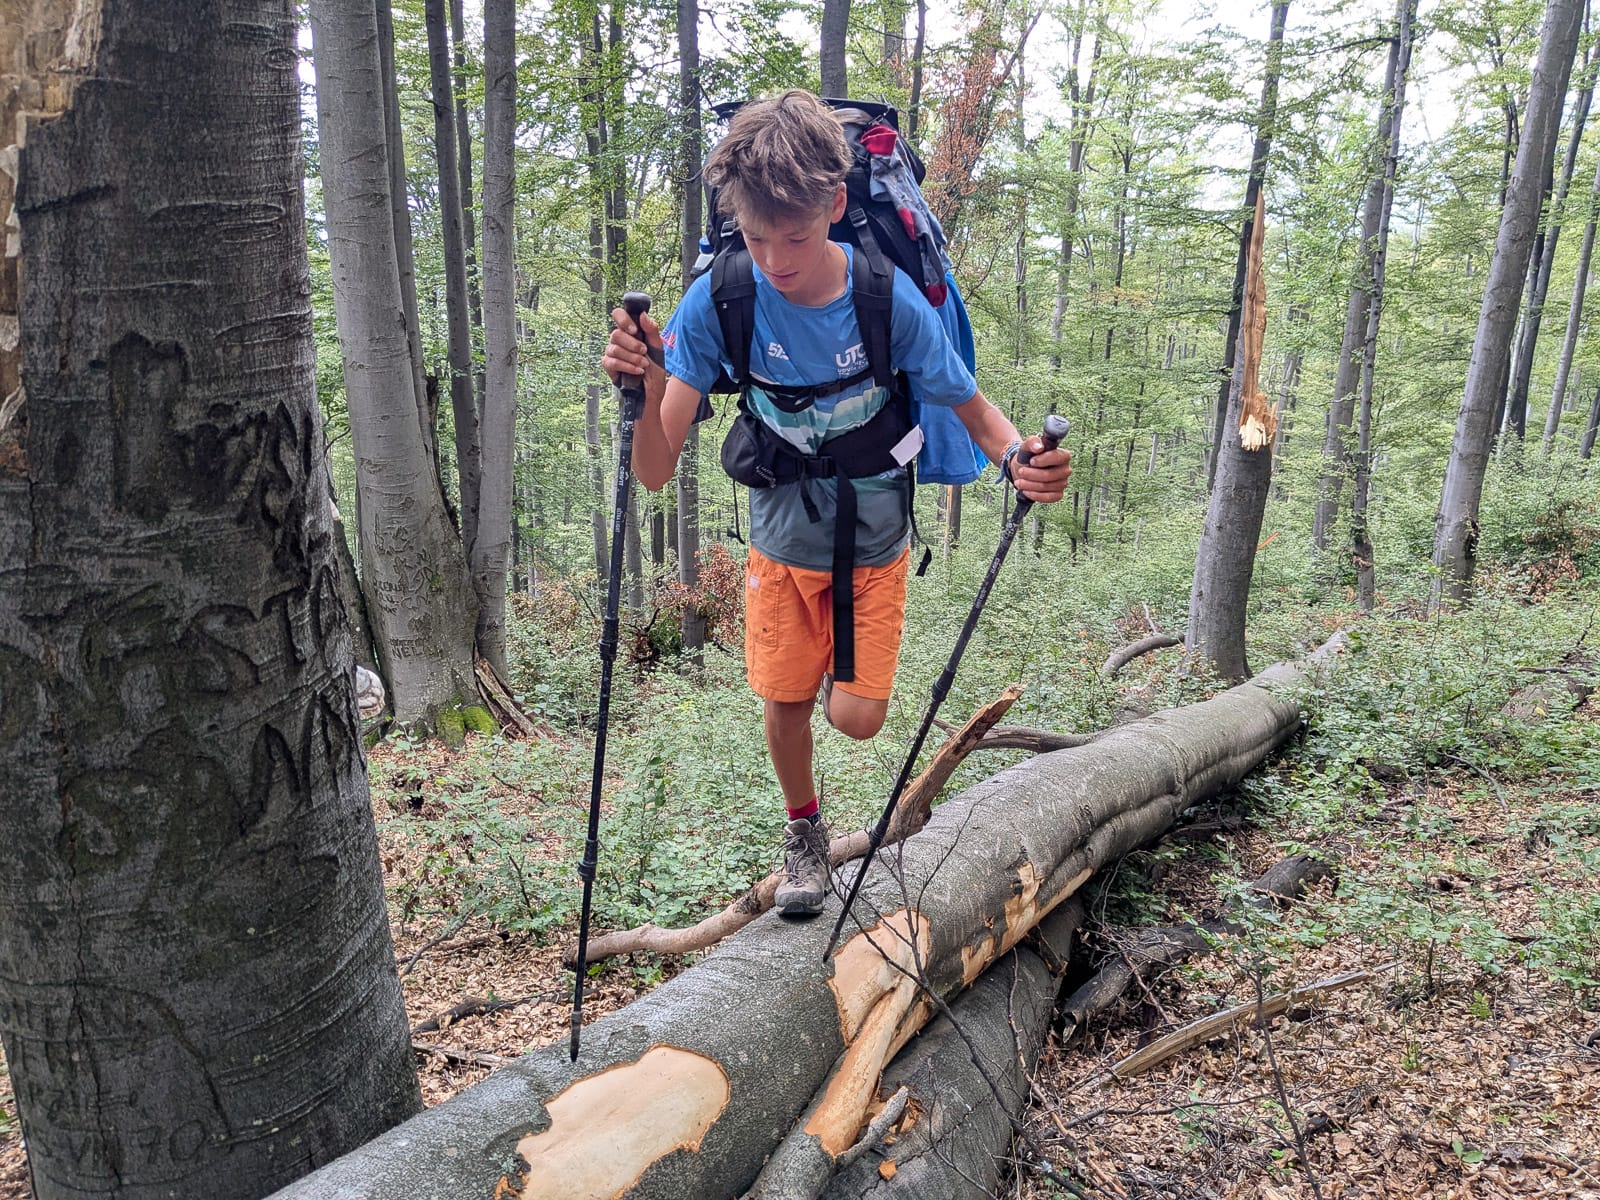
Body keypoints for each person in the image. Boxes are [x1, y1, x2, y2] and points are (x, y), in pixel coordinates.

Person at [601, 89, 1071, 919]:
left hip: (876, 537)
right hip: (782, 535)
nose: (777, 259)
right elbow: (654, 470)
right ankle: (805, 832)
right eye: (754, 237)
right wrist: (642, 390)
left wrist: (1020, 460)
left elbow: (975, 409)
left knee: (855, 718)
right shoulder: (721, 299)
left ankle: (835, 680)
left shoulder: (887, 300)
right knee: (783, 704)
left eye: (797, 235)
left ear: (837, 204)